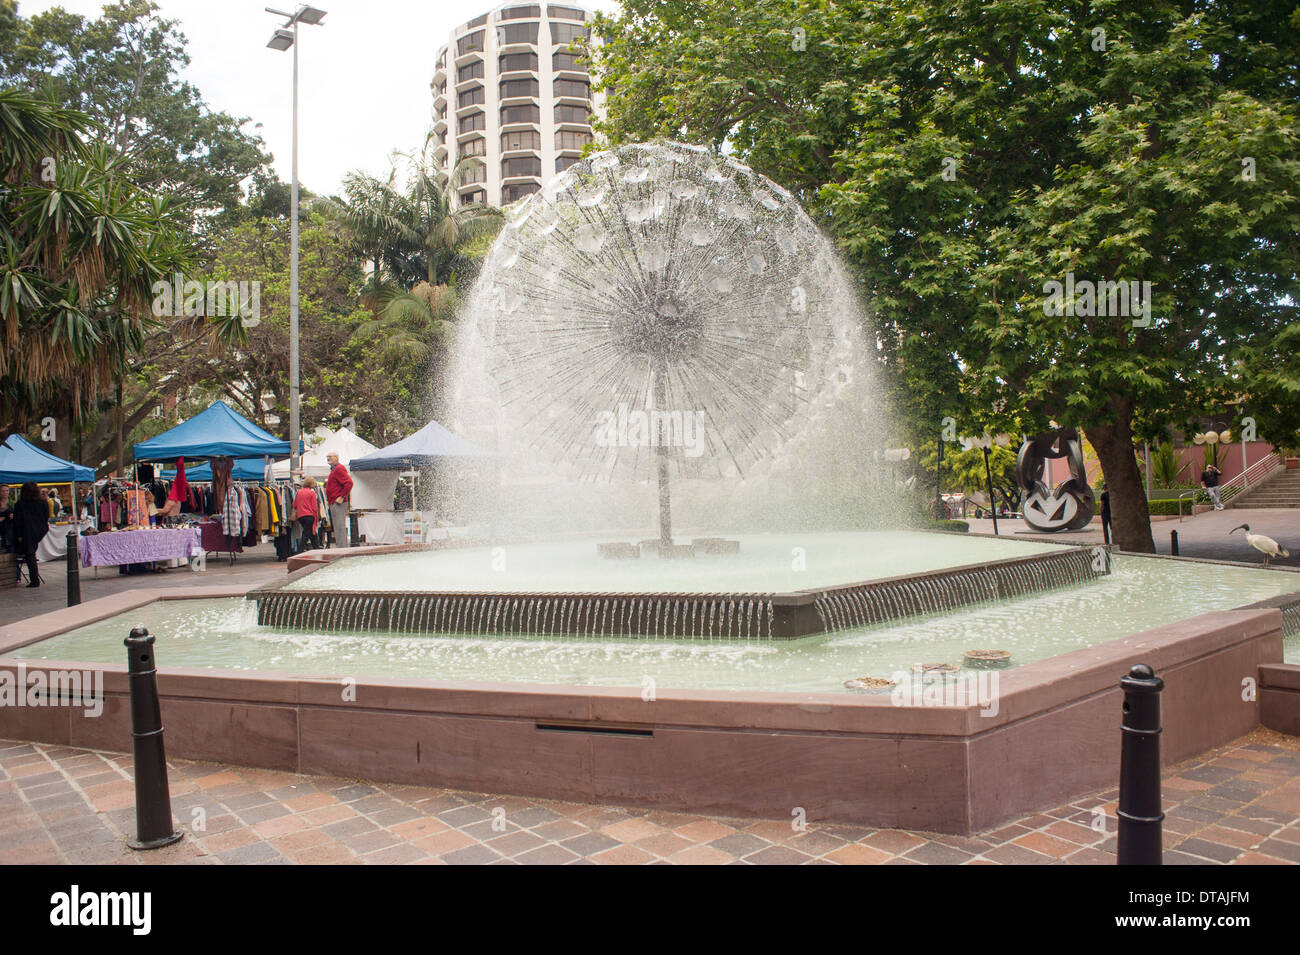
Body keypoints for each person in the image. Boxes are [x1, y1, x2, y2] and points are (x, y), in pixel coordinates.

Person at [12, 482, 49, 586]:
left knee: (30, 554)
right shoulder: (42, 502)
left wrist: (19, 535)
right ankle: (34, 578)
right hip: (39, 530)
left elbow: (17, 521)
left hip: (26, 531)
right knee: (31, 553)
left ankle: (34, 579)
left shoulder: (20, 504)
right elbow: (46, 516)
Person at [324, 452, 353, 547]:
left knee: (339, 526)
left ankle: (342, 548)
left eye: (330, 456)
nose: (328, 458)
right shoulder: (334, 469)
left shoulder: (338, 469)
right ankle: (341, 546)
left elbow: (349, 483)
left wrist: (341, 496)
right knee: (337, 526)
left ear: (336, 458)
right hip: (334, 502)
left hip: (338, 503)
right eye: (327, 457)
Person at [293, 476, 320, 554]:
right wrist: (316, 519)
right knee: (306, 533)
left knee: (310, 532)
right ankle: (300, 550)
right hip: (309, 515)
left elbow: (294, 505)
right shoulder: (312, 493)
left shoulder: (298, 492)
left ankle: (316, 547)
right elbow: (315, 508)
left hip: (301, 516)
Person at [0, 484, 12, 553]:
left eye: (6, 491)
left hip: (10, 529)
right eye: (2, 491)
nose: (5, 493)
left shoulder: (13, 503)